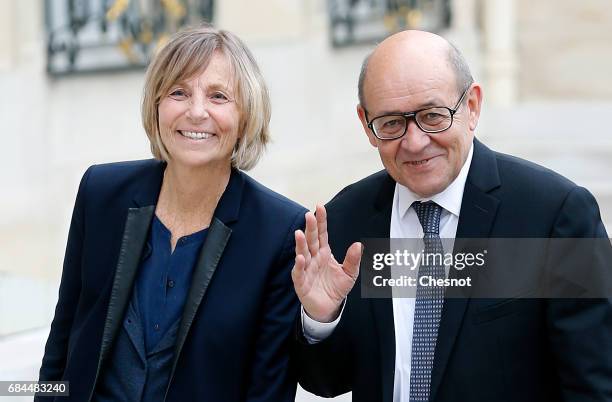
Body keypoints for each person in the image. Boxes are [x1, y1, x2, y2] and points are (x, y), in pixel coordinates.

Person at [292, 30, 612, 401]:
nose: (414, 142)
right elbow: (328, 381)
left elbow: (594, 385)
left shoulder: (553, 216)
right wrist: (321, 319)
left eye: (432, 116)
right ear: (366, 124)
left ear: (472, 106)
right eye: (392, 123)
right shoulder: (348, 219)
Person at [37, 25, 305, 402]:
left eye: (218, 96)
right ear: (157, 106)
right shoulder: (101, 193)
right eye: (179, 92)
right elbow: (61, 344)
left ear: (245, 115)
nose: (196, 112)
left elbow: (267, 391)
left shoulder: (280, 233)